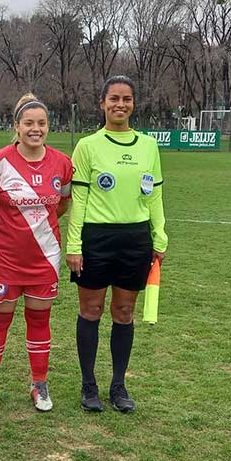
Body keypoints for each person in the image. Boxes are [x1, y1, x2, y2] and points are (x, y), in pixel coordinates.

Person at [66, 76, 167, 414]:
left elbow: (155, 196)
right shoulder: (88, 146)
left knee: (123, 313)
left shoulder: (148, 146)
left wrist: (159, 236)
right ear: (102, 103)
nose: (119, 105)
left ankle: (118, 385)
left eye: (126, 99)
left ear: (134, 104)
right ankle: (89, 385)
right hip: (96, 238)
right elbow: (79, 200)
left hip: (135, 239)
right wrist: (74, 244)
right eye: (113, 99)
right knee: (90, 311)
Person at [0, 93, 72, 412]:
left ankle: (39, 384)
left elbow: (64, 203)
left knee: (40, 319)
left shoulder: (62, 163)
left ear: (48, 127)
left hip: (44, 257)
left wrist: (38, 229)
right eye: (28, 123)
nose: (35, 129)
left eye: (41, 123)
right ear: (16, 126)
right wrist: (9, 231)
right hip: (4, 258)